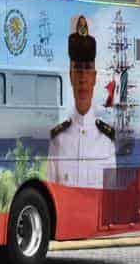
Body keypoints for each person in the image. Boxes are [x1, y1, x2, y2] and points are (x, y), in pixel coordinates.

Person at [47, 15, 117, 188]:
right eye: (77, 69)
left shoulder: (106, 142)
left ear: (94, 78)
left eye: (87, 69)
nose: (83, 78)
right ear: (70, 76)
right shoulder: (58, 140)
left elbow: (110, 197)